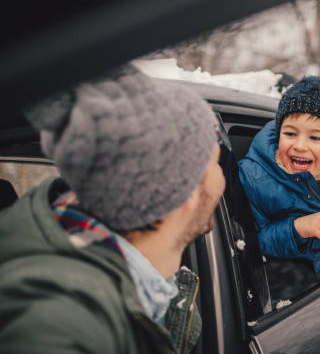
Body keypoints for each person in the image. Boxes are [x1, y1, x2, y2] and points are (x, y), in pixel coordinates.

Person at [0, 65, 225, 353]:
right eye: (216, 163)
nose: (222, 177)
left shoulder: (109, 288)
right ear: (187, 190)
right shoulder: (62, 327)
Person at [238, 76, 320, 273]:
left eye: (315, 137)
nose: (299, 146)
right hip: (284, 282)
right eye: (290, 134)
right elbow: (249, 243)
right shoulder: (254, 181)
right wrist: (296, 229)